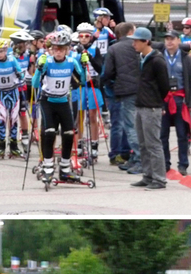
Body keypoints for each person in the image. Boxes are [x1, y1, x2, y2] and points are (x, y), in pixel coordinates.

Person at [32, 31, 87, 182]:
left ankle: (65, 168)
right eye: (55, 48)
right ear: (51, 49)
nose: (58, 52)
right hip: (48, 101)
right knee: (49, 132)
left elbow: (82, 81)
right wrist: (39, 67)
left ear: (67, 49)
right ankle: (48, 166)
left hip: (63, 101)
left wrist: (83, 64)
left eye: (62, 49)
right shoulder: (47, 62)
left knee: (69, 133)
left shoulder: (70, 62)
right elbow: (35, 84)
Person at [128, 27, 170, 191]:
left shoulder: (157, 60)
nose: (133, 44)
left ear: (146, 41)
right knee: (143, 143)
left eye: (136, 41)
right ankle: (148, 175)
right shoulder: (142, 58)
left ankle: (159, 179)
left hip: (151, 107)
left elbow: (164, 86)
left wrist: (157, 101)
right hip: (141, 104)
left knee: (153, 144)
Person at [102, 22, 143, 174]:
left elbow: (108, 72)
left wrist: (110, 84)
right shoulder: (137, 46)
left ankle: (139, 158)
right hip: (140, 89)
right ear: (131, 32)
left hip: (125, 90)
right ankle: (134, 156)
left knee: (130, 126)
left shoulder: (114, 48)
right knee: (132, 125)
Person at [159, 30, 191, 176]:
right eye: (167, 39)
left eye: (172, 39)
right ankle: (165, 163)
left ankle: (183, 164)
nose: (169, 42)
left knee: (182, 134)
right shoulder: (160, 55)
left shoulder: (186, 58)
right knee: (163, 134)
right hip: (164, 99)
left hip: (181, 99)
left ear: (178, 40)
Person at [0, 38, 25, 158]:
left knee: (14, 119)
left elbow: (20, 73)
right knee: (2, 118)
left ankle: (14, 146)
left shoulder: (12, 60)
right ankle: (1, 147)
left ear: (6, 50)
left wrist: (21, 78)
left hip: (13, 92)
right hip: (1, 94)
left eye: (1, 51)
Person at [74, 22, 104, 160]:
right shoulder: (75, 50)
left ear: (91, 37)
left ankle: (94, 145)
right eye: (81, 36)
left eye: (87, 36)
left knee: (92, 116)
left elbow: (100, 68)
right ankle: (79, 144)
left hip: (93, 85)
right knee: (79, 116)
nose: (84, 38)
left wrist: (90, 58)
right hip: (80, 85)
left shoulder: (95, 49)